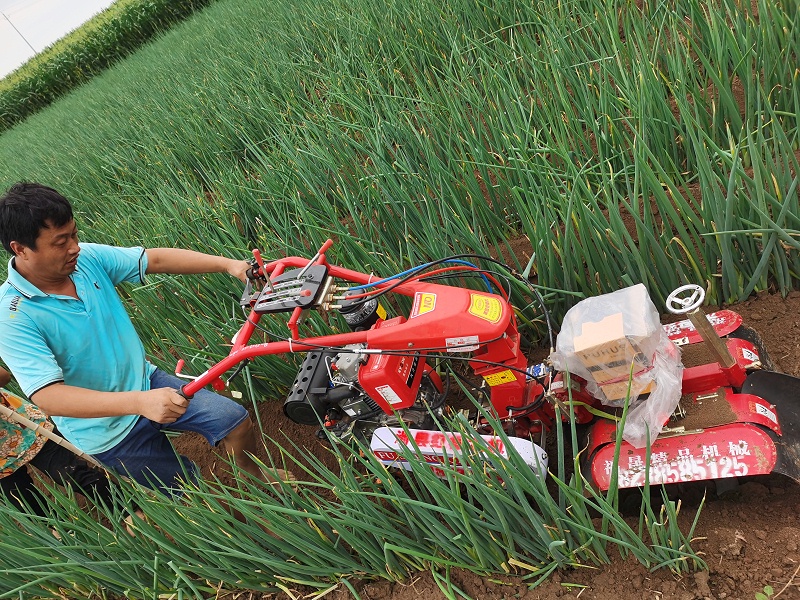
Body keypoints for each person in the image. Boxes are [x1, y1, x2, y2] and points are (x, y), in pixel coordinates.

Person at [0, 182, 283, 494]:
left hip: (145, 381)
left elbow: (154, 260)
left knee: (234, 420)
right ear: (21, 249)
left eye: (74, 234)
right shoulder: (12, 315)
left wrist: (228, 265)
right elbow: (48, 397)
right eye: (60, 241)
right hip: (106, 429)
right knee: (188, 491)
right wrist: (139, 402)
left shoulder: (85, 260)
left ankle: (252, 474)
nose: (74, 247)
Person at [0, 366, 115, 517]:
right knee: (24, 502)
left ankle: (125, 508)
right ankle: (61, 533)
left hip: (21, 429)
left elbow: (4, 376)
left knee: (70, 474)